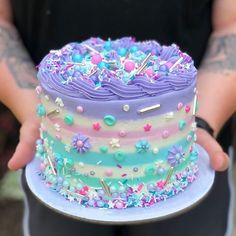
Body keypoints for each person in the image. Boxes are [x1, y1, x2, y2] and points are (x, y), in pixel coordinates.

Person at [0, 0, 235, 235]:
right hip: (61, 167)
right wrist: (36, 111)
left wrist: (201, 121)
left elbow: (231, 25)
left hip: (192, 145)